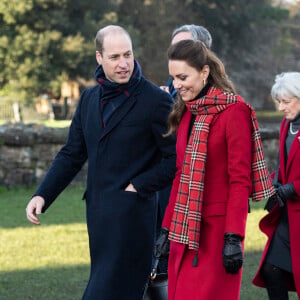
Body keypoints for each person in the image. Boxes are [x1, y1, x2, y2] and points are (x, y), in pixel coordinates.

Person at [25, 25, 176, 300]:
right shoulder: (88, 99)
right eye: (115, 57)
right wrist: (42, 194)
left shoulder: (156, 101)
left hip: (134, 219)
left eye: (127, 55)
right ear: (99, 58)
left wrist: (139, 186)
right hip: (99, 220)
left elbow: (176, 158)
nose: (123, 64)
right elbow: (72, 153)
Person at [154, 39, 275, 300]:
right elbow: (181, 174)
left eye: (183, 77)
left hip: (217, 235)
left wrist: (233, 237)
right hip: (183, 230)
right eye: (174, 78)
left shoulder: (235, 112)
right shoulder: (186, 112)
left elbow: (240, 181)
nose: (176, 85)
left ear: (205, 72)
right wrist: (165, 229)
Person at [156, 24, 213, 274]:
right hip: (165, 190)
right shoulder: (164, 91)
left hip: (201, 195)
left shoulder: (216, 96)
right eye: (174, 47)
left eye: (185, 46)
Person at [252, 72, 300, 299]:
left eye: (286, 102)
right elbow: (284, 165)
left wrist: (292, 189)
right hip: (288, 215)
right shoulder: (286, 125)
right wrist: (273, 182)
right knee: (271, 269)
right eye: (278, 102)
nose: (281, 107)